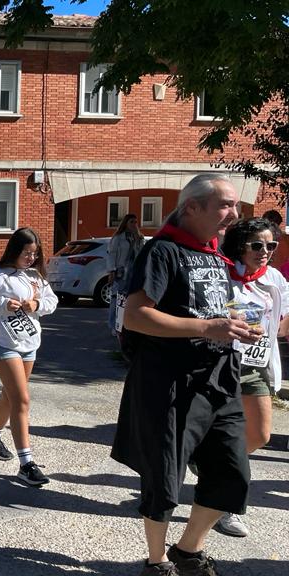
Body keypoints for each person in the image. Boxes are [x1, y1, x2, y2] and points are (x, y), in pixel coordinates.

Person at [111, 174, 259, 575]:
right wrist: (206, 328)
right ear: (192, 207)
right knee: (164, 479)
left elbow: (211, 307)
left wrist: (236, 321)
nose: (234, 214)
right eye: (225, 205)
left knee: (233, 473)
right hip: (170, 381)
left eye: (235, 205)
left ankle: (188, 550)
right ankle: (157, 561)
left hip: (217, 380)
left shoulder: (214, 253)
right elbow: (137, 315)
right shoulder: (163, 251)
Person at [0, 227, 58, 486]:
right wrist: (1, 303)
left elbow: (52, 301)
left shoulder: (35, 276)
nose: (30, 258)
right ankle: (26, 464)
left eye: (34, 253)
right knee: (22, 400)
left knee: (9, 396)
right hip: (4, 345)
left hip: (29, 345)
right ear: (14, 250)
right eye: (26, 253)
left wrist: (37, 305)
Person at [214, 217, 289, 538]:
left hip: (255, 366)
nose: (265, 251)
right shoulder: (219, 274)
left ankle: (212, 466)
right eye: (257, 245)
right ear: (240, 245)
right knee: (219, 434)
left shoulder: (274, 278)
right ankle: (224, 505)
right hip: (217, 363)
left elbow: (281, 325)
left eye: (270, 245)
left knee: (259, 435)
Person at [107, 213, 145, 335]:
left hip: (134, 273)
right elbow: (112, 254)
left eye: (135, 222)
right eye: (131, 222)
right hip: (121, 272)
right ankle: (114, 325)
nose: (134, 224)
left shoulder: (139, 238)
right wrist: (111, 271)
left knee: (131, 300)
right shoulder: (118, 238)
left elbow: (142, 254)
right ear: (126, 223)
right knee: (117, 299)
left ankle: (127, 325)